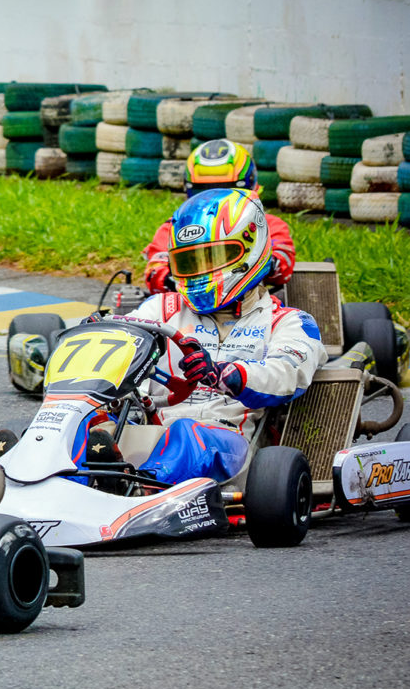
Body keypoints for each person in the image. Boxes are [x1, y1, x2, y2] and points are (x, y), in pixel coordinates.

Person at [115, 189, 326, 486]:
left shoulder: (288, 322)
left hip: (228, 442)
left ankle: (139, 490)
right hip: (147, 429)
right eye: (191, 263)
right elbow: (122, 349)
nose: (202, 272)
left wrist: (226, 374)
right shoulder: (160, 309)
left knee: (188, 435)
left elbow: (285, 374)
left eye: (214, 257)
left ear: (249, 250)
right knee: (92, 425)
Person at [140, 139, 295, 294]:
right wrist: (172, 279)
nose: (216, 199)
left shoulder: (268, 225)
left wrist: (264, 263)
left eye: (226, 189)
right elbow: (156, 269)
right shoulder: (175, 229)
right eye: (205, 190)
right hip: (190, 303)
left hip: (251, 302)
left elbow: (283, 264)